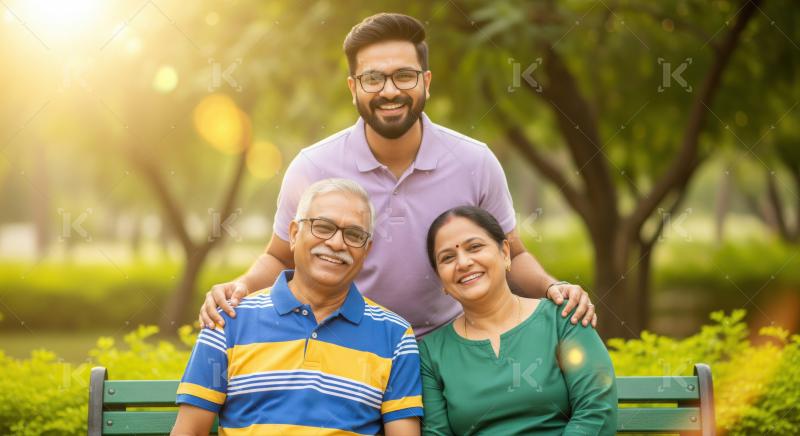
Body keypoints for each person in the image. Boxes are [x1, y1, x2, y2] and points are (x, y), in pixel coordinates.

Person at [199, 12, 597, 337]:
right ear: (353, 88)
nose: (390, 91)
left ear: (425, 82)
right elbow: (278, 255)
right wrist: (242, 287)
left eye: (404, 76)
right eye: (373, 78)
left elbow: (514, 254)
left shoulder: (475, 162)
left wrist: (552, 287)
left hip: (449, 347)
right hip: (348, 348)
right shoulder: (313, 167)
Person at [171, 179, 422, 435]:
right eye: (323, 227)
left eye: (354, 235)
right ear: (293, 234)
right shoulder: (229, 320)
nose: (337, 243)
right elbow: (189, 432)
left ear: (367, 250)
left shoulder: (395, 336)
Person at [419, 206, 617, 435]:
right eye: (448, 258)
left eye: (475, 247)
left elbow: (596, 410)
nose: (463, 263)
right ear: (440, 279)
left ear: (505, 253)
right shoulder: (431, 353)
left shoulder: (562, 319)